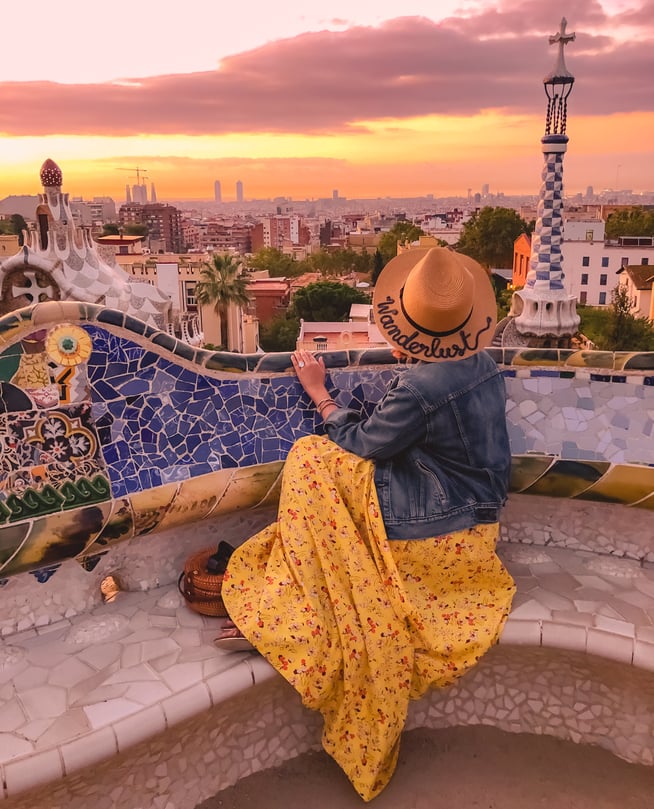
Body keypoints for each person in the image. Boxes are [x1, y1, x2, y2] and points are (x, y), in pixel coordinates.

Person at [217, 246, 516, 802]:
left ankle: (298, 605)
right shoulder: (483, 365)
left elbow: (362, 443)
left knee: (310, 458)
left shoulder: (423, 386)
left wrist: (320, 395)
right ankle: (302, 590)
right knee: (327, 475)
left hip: (437, 528)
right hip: (479, 524)